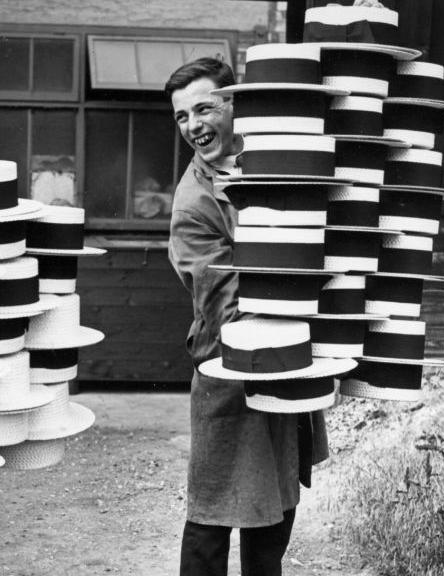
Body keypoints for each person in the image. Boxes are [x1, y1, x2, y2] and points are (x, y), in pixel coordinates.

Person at [165, 57, 329, 576]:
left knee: (276, 511)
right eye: (182, 117)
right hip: (230, 369)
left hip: (286, 363)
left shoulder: (270, 161)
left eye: (205, 107)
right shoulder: (194, 203)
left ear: (235, 105)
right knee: (213, 516)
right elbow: (223, 303)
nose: (194, 126)